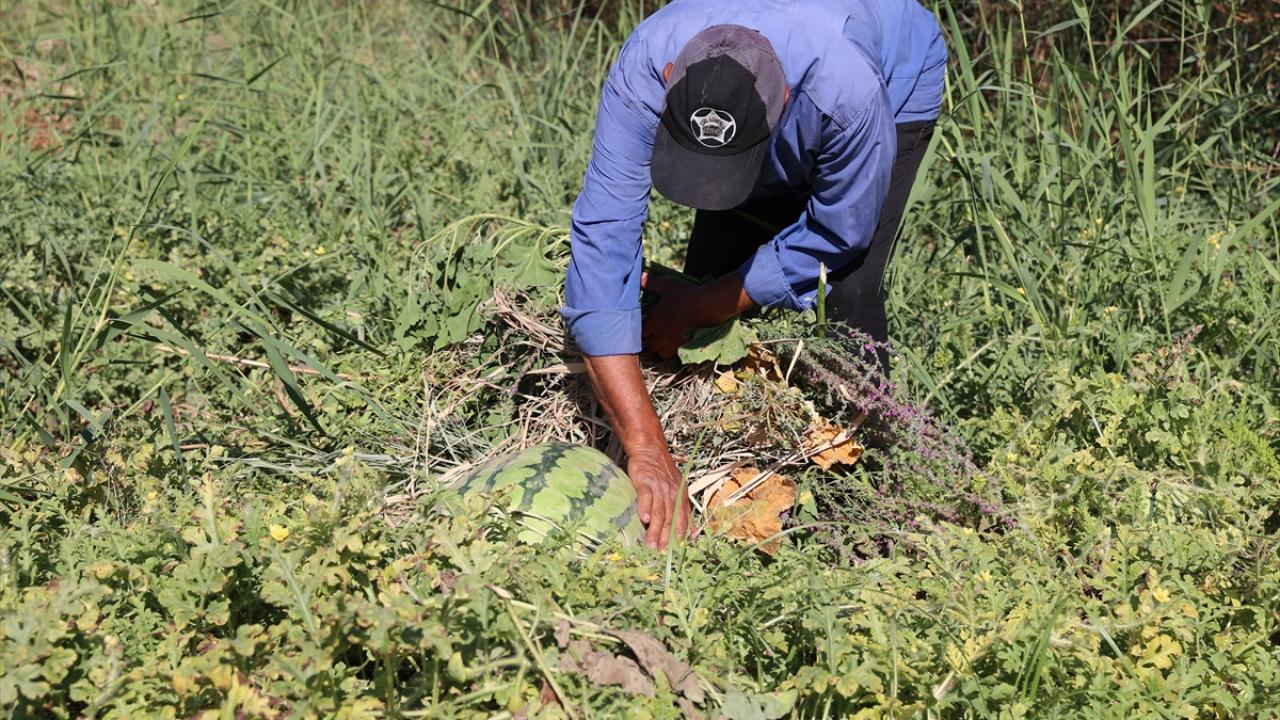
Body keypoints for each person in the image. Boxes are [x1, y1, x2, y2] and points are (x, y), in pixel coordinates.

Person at [562, 0, 948, 549]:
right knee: (714, 279)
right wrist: (646, 449)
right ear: (672, 81)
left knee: (845, 290)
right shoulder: (647, 63)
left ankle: (873, 502)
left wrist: (701, 306)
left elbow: (838, 234)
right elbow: (603, 242)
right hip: (787, 83)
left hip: (896, 66)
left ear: (783, 102)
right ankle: (737, 473)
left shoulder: (849, 93)